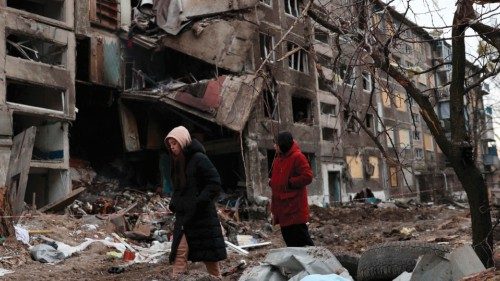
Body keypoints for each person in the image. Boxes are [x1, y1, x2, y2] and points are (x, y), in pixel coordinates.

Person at [165, 126, 227, 278]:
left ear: (183, 141)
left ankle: (216, 279)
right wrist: (174, 203)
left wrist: (199, 202)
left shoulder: (199, 158)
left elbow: (214, 183)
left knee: (209, 258)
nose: (172, 147)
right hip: (184, 216)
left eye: (175, 143)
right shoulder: (177, 162)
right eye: (170, 144)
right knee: (179, 252)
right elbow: (179, 188)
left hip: (202, 216)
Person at [269, 131, 314, 247]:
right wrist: (272, 183)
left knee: (304, 244)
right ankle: (298, 265)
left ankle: (319, 263)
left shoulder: (297, 157)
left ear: (282, 145)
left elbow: (307, 176)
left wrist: (290, 183)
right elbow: (279, 179)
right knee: (291, 243)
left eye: (276, 144)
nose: (274, 146)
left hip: (294, 209)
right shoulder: (278, 159)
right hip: (283, 209)